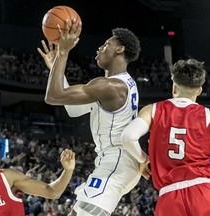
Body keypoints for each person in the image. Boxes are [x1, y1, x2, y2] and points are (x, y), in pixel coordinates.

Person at [38, 19, 148, 216]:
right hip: (115, 163)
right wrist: (55, 66)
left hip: (117, 162)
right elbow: (72, 109)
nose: (100, 47)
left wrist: (63, 53)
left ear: (120, 50)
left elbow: (53, 96)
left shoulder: (110, 87)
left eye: (106, 44)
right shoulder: (112, 86)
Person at [121, 58, 210, 215]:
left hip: (169, 198)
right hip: (204, 193)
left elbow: (127, 137)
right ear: (199, 90)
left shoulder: (152, 110)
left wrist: (143, 159)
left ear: (174, 87)